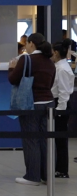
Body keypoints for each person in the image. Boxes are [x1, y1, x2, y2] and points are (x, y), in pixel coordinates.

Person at [8, 33, 55, 186]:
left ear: (31, 44)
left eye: (27, 43)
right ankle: (47, 175)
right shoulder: (50, 61)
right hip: (48, 103)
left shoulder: (26, 59)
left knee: (30, 139)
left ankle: (32, 176)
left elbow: (13, 79)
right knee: (45, 139)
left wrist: (11, 68)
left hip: (31, 103)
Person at [51, 38, 74, 178]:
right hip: (59, 102)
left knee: (60, 138)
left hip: (61, 104)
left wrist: (60, 110)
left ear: (57, 52)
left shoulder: (62, 69)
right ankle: (58, 167)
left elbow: (64, 92)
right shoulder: (59, 66)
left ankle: (62, 169)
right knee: (57, 138)